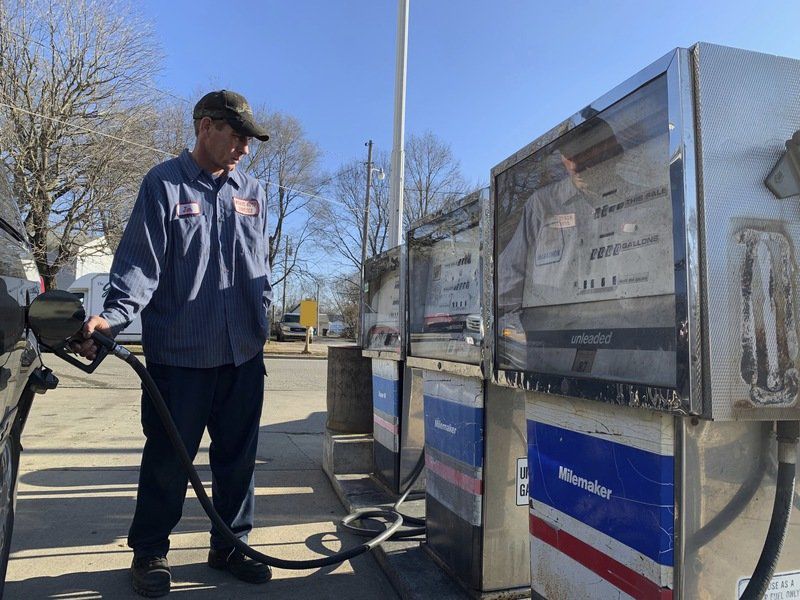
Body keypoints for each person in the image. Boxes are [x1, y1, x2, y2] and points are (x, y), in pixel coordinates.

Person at [75, 90, 273, 597]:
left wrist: (264, 321)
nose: (244, 149)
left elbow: (259, 268)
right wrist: (111, 319)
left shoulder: (252, 191)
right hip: (181, 357)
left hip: (243, 355)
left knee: (238, 460)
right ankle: (150, 552)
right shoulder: (163, 185)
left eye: (249, 139)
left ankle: (230, 545)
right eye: (237, 135)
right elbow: (141, 267)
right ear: (205, 126)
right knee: (168, 459)